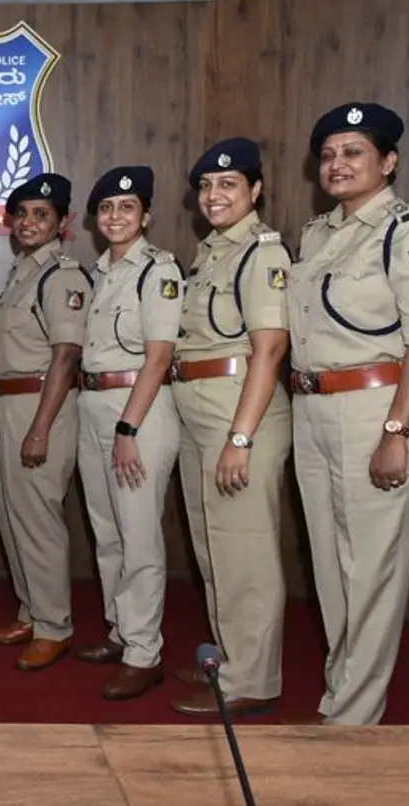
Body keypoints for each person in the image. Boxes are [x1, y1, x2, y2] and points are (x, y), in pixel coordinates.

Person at [287, 103, 409, 726]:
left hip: (376, 408)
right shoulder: (318, 232)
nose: (338, 164)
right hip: (312, 407)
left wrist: (397, 430)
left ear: (388, 161)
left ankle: (353, 719)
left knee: (373, 568)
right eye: (329, 154)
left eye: (353, 152)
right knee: (330, 565)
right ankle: (342, 690)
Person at [168, 138, 292, 718]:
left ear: (256, 191)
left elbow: (269, 351)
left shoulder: (262, 252)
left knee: (245, 549)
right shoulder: (212, 252)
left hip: (239, 410)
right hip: (200, 408)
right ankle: (231, 658)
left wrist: (241, 438)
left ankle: (254, 679)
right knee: (213, 547)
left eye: (229, 185)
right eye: (207, 187)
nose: (215, 196)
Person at [73, 166, 184, 700]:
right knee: (107, 531)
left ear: (147, 216)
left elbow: (159, 357)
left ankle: (145, 653)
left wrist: (127, 427)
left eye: (127, 208)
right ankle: (122, 631)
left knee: (138, 534)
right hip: (93, 403)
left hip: (135, 412)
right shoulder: (99, 274)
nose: (116, 217)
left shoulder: (157, 271)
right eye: (107, 209)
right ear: (96, 220)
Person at [0, 173, 89, 671]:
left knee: (39, 519)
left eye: (41, 214)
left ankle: (54, 626)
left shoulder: (61, 275)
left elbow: (66, 357)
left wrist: (40, 428)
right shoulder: (20, 273)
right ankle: (31, 609)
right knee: (13, 514)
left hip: (38, 406)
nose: (30, 222)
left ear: (62, 223)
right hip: (4, 404)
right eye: (22, 214)